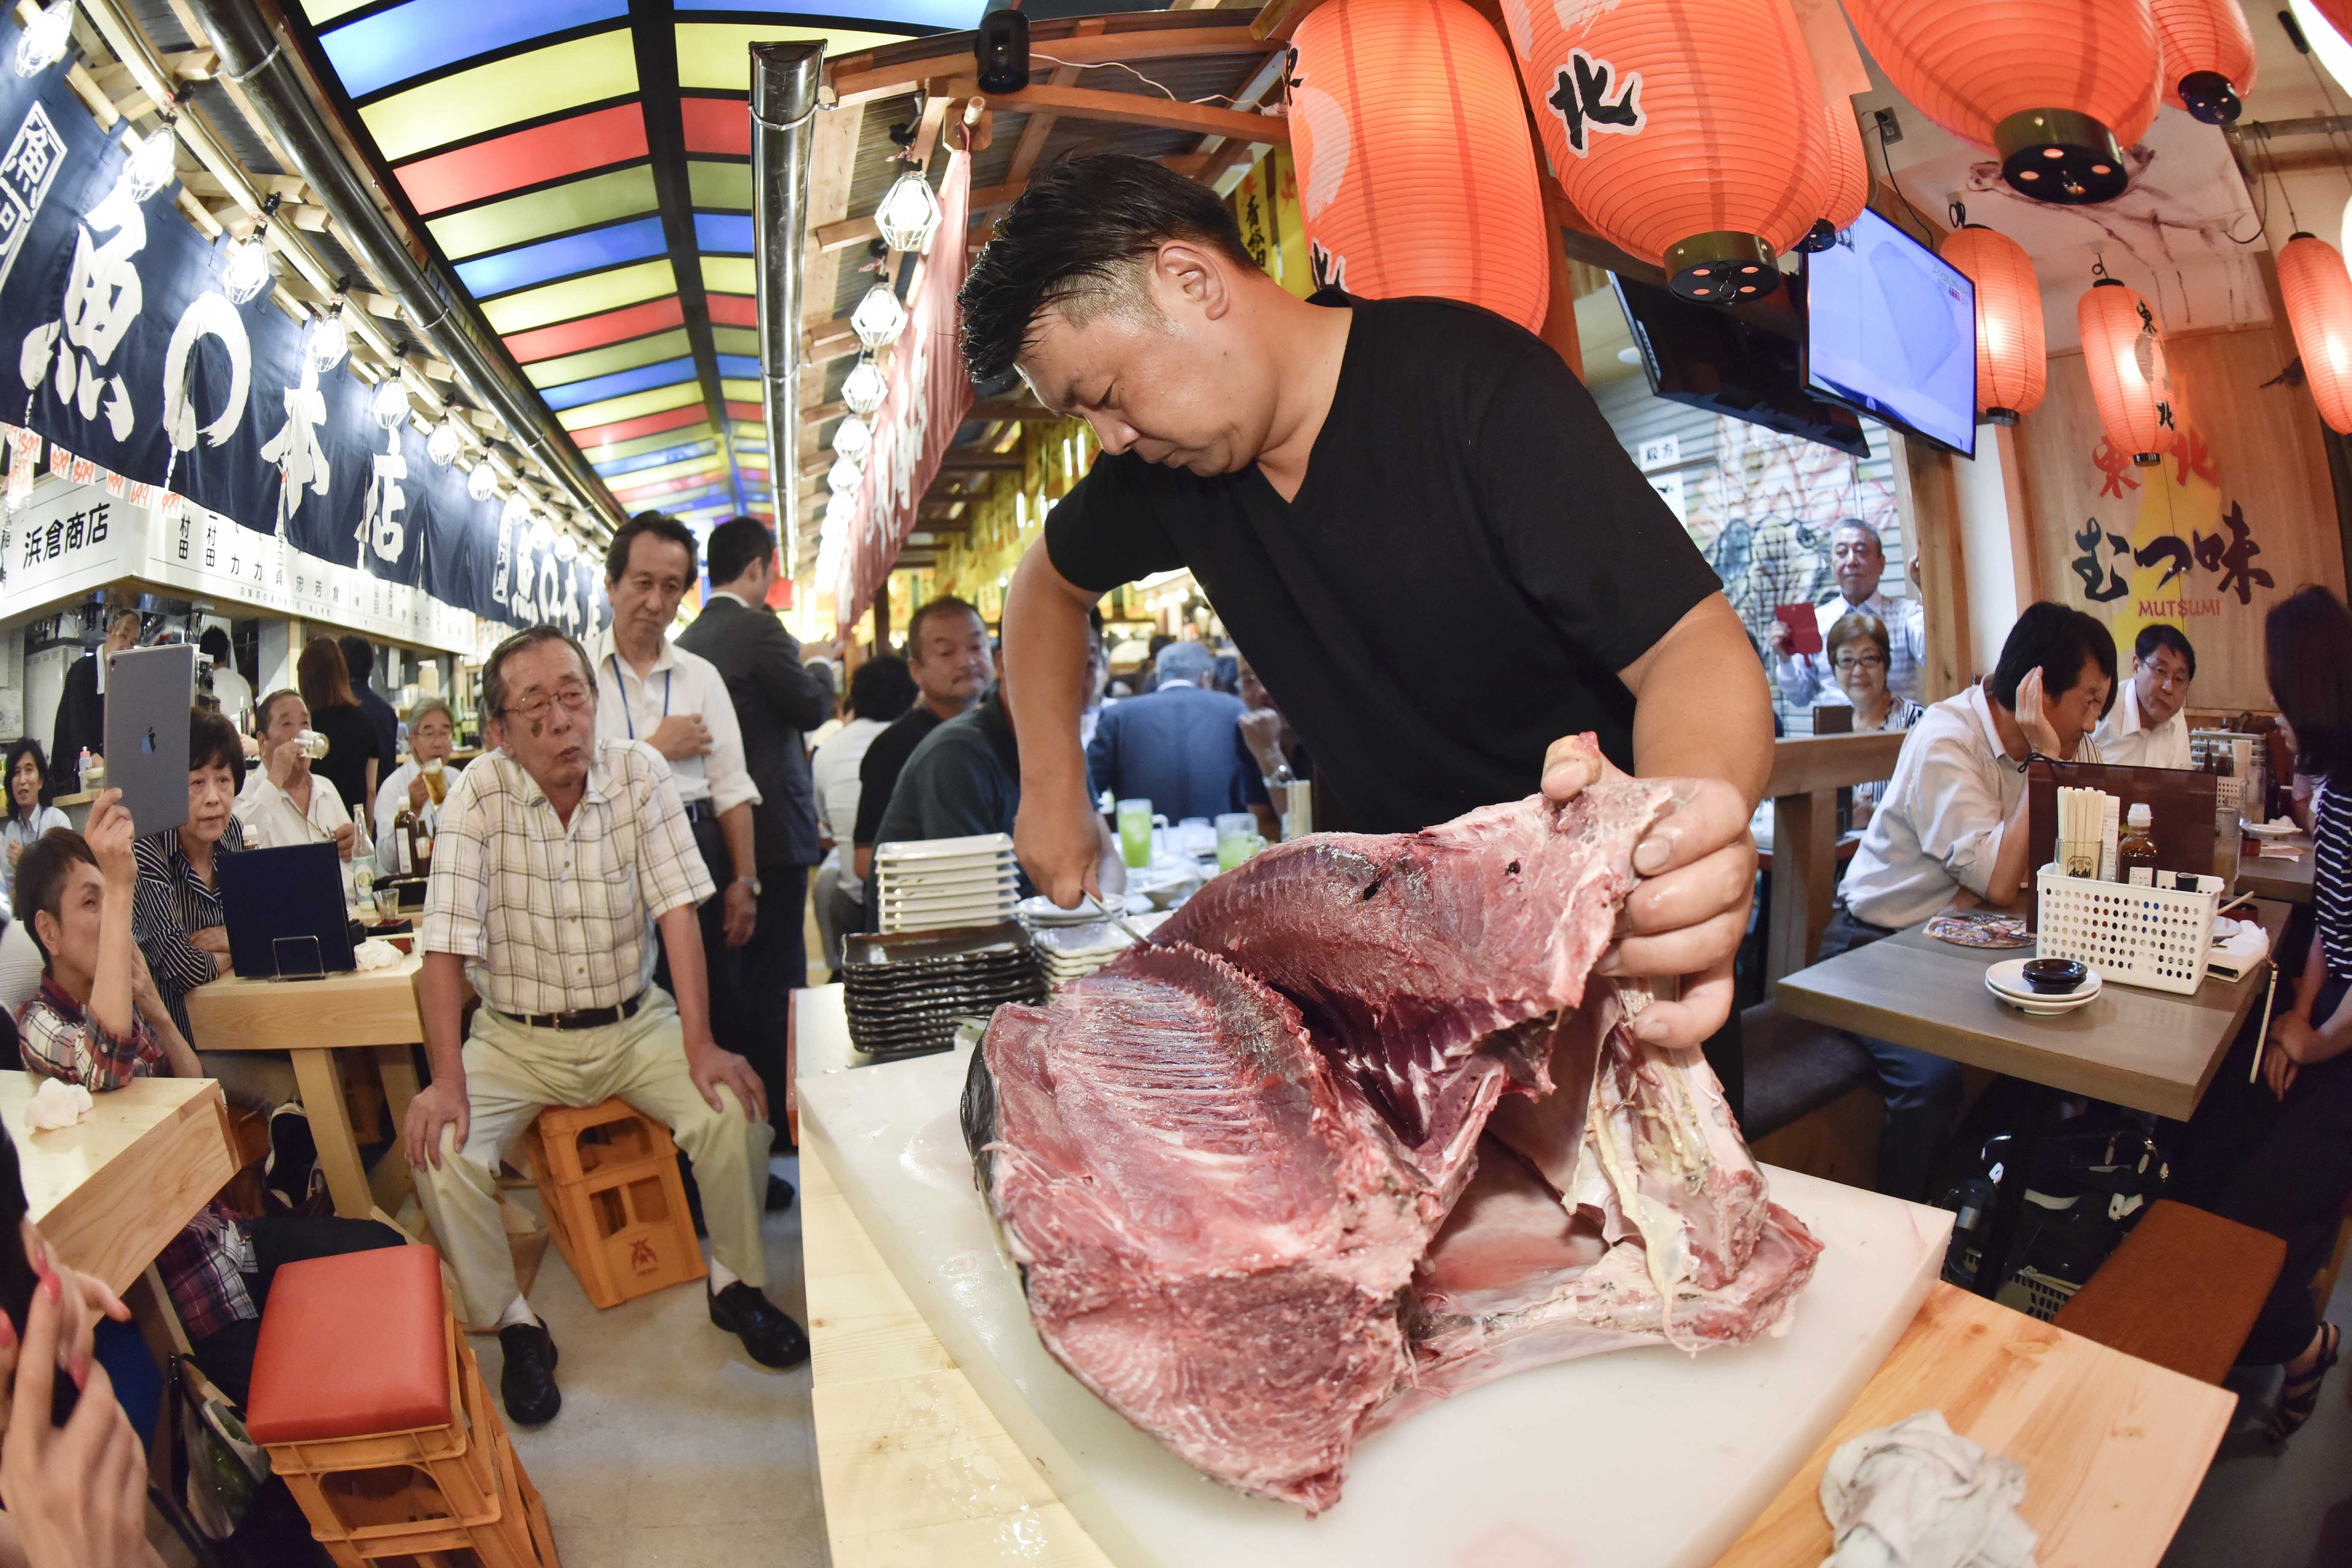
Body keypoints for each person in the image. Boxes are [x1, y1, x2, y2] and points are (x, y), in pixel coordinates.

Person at [967, 153, 1769, 1055]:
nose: (1112, 438)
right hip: (1403, 977)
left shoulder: (1474, 385)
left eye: (1106, 395)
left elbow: (1690, 645)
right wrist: (1053, 788)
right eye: (1084, 420)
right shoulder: (1164, 476)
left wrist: (1678, 837)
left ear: (1189, 280)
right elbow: (1044, 586)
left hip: (1604, 951)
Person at [402, 627, 804, 1427]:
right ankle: (516, 1326)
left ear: (595, 702)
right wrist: (447, 1081)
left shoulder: (639, 772)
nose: (561, 721)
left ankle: (734, 1284)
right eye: (535, 706)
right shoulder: (476, 796)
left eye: (573, 696)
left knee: (733, 1109)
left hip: (632, 1022)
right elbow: (442, 948)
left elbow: (678, 912)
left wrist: (699, 1041)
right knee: (440, 1150)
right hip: (516, 1038)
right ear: (502, 732)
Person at [13, 810, 387, 1405]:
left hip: (227, 1241)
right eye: (93, 902)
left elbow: (200, 1100)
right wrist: (124, 893)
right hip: (187, 1293)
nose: (113, 917)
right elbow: (102, 1066)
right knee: (338, 1380)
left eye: (111, 899)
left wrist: (154, 1007)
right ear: (49, 933)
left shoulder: (121, 1006)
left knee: (385, 1255)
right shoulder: (40, 1022)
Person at [1826, 603, 2114, 1199]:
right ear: (2037, 688)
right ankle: (1903, 1228)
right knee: (1933, 1079)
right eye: (2088, 701)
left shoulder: (2038, 744)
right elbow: (2004, 881)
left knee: (2058, 1038)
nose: (2094, 720)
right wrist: (2045, 765)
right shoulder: (1948, 738)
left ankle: (1975, 1198)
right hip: (1874, 946)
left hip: (1951, 939)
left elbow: (2052, 861)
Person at [2172, 587, 2352, 1441]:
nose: (2273, 709)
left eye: (2278, 688)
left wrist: (2315, 1042)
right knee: (2203, 1150)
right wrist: (2299, 1015)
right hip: (2333, 1023)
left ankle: (2304, 1343)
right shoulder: (2339, 781)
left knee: (2256, 1221)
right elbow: (2337, 920)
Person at [590, 512, 769, 1104]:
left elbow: (732, 787)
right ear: (612, 584)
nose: (655, 601)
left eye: (671, 587)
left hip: (698, 851)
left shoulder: (702, 679)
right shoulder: (577, 678)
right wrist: (655, 749)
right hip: (603, 854)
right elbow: (568, 779)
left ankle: (726, 1145)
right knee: (629, 1001)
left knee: (715, 1002)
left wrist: (745, 880)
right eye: (641, 583)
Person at [676, 516, 835, 1093]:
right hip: (773, 831)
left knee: (736, 984)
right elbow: (811, 708)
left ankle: (756, 1107)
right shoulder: (763, 631)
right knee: (783, 981)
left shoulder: (686, 643)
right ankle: (791, 1113)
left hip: (717, 839)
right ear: (756, 568)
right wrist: (818, 661)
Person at [130, 709, 306, 1130]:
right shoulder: (148, 850)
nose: (213, 798)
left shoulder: (231, 834)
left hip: (239, 1026)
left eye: (223, 780)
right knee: (296, 1082)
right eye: (196, 783)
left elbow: (267, 929)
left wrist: (234, 939)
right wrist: (242, 945)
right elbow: (181, 966)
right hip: (176, 1048)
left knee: (326, 1053)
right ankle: (297, 1189)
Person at [872, 682, 1124, 902]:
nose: (1077, 679)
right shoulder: (955, 754)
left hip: (1037, 932)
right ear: (1005, 665)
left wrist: (1101, 913)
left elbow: (1108, 857)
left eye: (1087, 664)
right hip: (934, 941)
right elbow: (973, 898)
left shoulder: (1064, 746)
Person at [851, 597, 994, 883]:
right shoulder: (893, 747)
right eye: (946, 653)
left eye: (977, 647)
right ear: (916, 670)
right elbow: (865, 858)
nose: (967, 662)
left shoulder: (1005, 732)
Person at [1085, 640, 1274, 832]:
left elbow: (1087, 790)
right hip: (1224, 844)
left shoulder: (1118, 715)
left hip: (1146, 850)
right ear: (1205, 677)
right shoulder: (1235, 710)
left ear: (1159, 677)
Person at [812, 657, 916, 968]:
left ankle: (839, 973)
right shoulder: (914, 740)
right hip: (912, 901)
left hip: (854, 906)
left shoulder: (828, 750)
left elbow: (827, 826)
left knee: (830, 884)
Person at [1767, 521, 1927, 710]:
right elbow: (1799, 696)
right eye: (1842, 553)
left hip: (1897, 733)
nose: (1852, 561)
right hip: (1834, 736)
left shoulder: (1907, 614)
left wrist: (1927, 591)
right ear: (1832, 564)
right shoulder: (1816, 622)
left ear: (1882, 564)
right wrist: (1785, 660)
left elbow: (1930, 652)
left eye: (1861, 551)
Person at [234, 691, 361, 868]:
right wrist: (276, 778)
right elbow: (234, 843)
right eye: (286, 724)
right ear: (262, 743)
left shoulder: (326, 788)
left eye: (305, 723)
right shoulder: (245, 793)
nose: (300, 734)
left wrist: (358, 843)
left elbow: (361, 861)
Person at [1825, 611, 1926, 830]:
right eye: (1847, 661)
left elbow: (1932, 803)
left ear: (1885, 664)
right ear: (1834, 668)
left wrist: (1876, 813)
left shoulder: (1915, 720)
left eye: (1869, 659)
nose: (1858, 671)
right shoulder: (1833, 725)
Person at [297, 636, 384, 823]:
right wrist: (367, 832)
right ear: (342, 674)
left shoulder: (307, 729)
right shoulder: (366, 722)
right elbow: (371, 791)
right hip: (351, 826)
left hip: (315, 825)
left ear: (305, 679)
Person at [48, 608, 139, 780]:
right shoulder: (82, 672)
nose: (126, 647)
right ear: (110, 631)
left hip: (99, 778)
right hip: (69, 781)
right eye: (124, 636)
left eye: (133, 643)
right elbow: (80, 741)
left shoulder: (122, 680)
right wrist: (116, 775)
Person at [2090, 623, 2195, 770]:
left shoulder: (2173, 714)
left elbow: (2181, 781)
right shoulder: (2103, 709)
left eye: (2179, 679)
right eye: (2160, 671)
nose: (2169, 688)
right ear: (2136, 667)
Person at [375, 698, 457, 877]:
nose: (438, 743)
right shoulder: (393, 787)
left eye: (445, 733)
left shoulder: (459, 780)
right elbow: (387, 862)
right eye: (429, 734)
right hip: (414, 890)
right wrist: (413, 811)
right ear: (412, 741)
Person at [2, 743, 67, 916]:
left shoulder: (57, 821)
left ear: (41, 781)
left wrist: (24, 864)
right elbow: (11, 896)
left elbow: (64, 883)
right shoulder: (11, 830)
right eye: (16, 773)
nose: (22, 780)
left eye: (29, 770)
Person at [338, 635, 402, 784]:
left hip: (358, 800)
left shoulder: (341, 707)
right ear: (371, 666)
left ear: (339, 665)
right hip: (386, 795)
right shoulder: (387, 709)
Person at [198, 626, 252, 733]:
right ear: (227, 652)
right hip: (242, 744)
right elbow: (253, 722)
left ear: (202, 653)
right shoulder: (242, 681)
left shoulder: (202, 685)